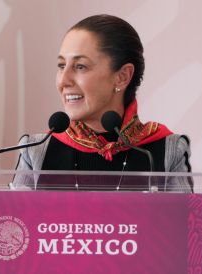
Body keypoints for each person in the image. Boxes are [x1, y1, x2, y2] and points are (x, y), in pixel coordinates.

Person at [14, 14, 192, 191]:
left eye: (80, 66)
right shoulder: (36, 151)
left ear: (122, 77)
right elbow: (14, 219)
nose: (64, 80)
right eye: (61, 66)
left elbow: (185, 219)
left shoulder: (168, 151)